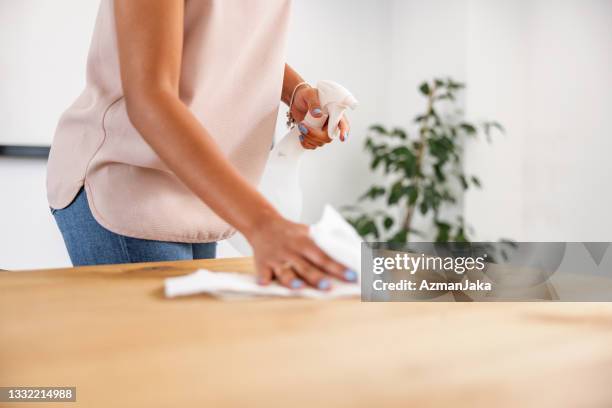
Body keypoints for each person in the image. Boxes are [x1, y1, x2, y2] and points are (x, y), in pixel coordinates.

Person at [47, 0, 356, 291]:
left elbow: (223, 32)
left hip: (202, 195)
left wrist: (294, 91)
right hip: (129, 178)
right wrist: (264, 224)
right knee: (161, 347)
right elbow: (150, 97)